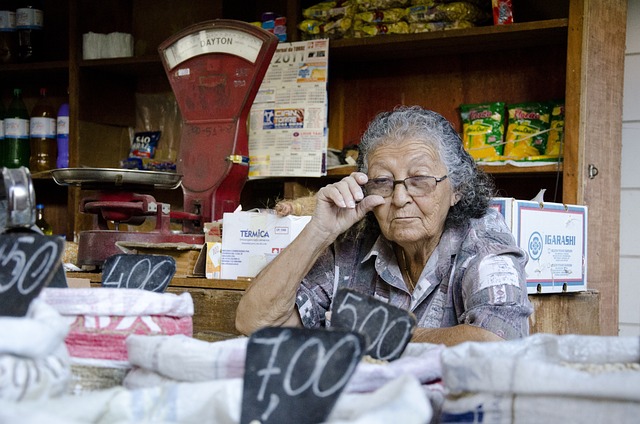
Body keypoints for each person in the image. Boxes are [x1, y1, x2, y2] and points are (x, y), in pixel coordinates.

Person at [236, 105, 533, 346]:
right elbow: (255, 322)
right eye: (382, 182)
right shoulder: (353, 245)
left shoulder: (483, 239)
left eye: (420, 180)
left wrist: (378, 334)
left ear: (457, 189)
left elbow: (499, 342)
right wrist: (319, 232)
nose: (400, 198)